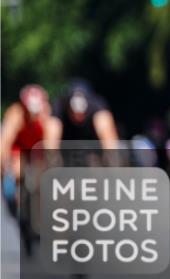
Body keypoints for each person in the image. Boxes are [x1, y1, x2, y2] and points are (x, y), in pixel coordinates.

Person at [0, 85, 54, 217]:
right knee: (17, 170)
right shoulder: (15, 115)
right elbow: (5, 144)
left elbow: (51, 144)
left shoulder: (46, 116)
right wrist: (4, 166)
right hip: (19, 149)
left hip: (37, 149)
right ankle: (14, 198)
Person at [49, 79, 120, 165]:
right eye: (74, 113)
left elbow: (110, 143)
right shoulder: (58, 108)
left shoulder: (98, 108)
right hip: (66, 147)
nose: (78, 117)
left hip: (93, 148)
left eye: (81, 114)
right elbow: (50, 144)